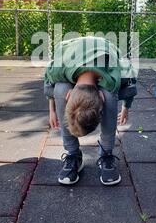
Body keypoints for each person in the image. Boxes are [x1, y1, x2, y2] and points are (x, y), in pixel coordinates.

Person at [44, 36, 137, 186]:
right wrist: (52, 110)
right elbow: (48, 80)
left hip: (105, 48)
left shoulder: (115, 73)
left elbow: (130, 83)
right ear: (70, 94)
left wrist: (126, 107)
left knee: (110, 93)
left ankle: (106, 153)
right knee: (60, 88)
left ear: (99, 96)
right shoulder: (59, 69)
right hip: (71, 49)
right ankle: (73, 154)